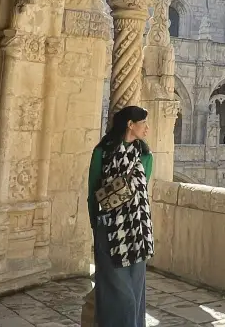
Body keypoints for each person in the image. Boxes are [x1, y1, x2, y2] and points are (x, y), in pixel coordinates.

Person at [87, 106, 154, 327]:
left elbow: (140, 193)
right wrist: (96, 226)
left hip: (136, 229)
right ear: (130, 124)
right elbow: (93, 190)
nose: (147, 128)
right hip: (109, 229)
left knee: (134, 291)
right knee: (115, 289)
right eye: (143, 123)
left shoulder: (145, 155)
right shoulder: (102, 152)